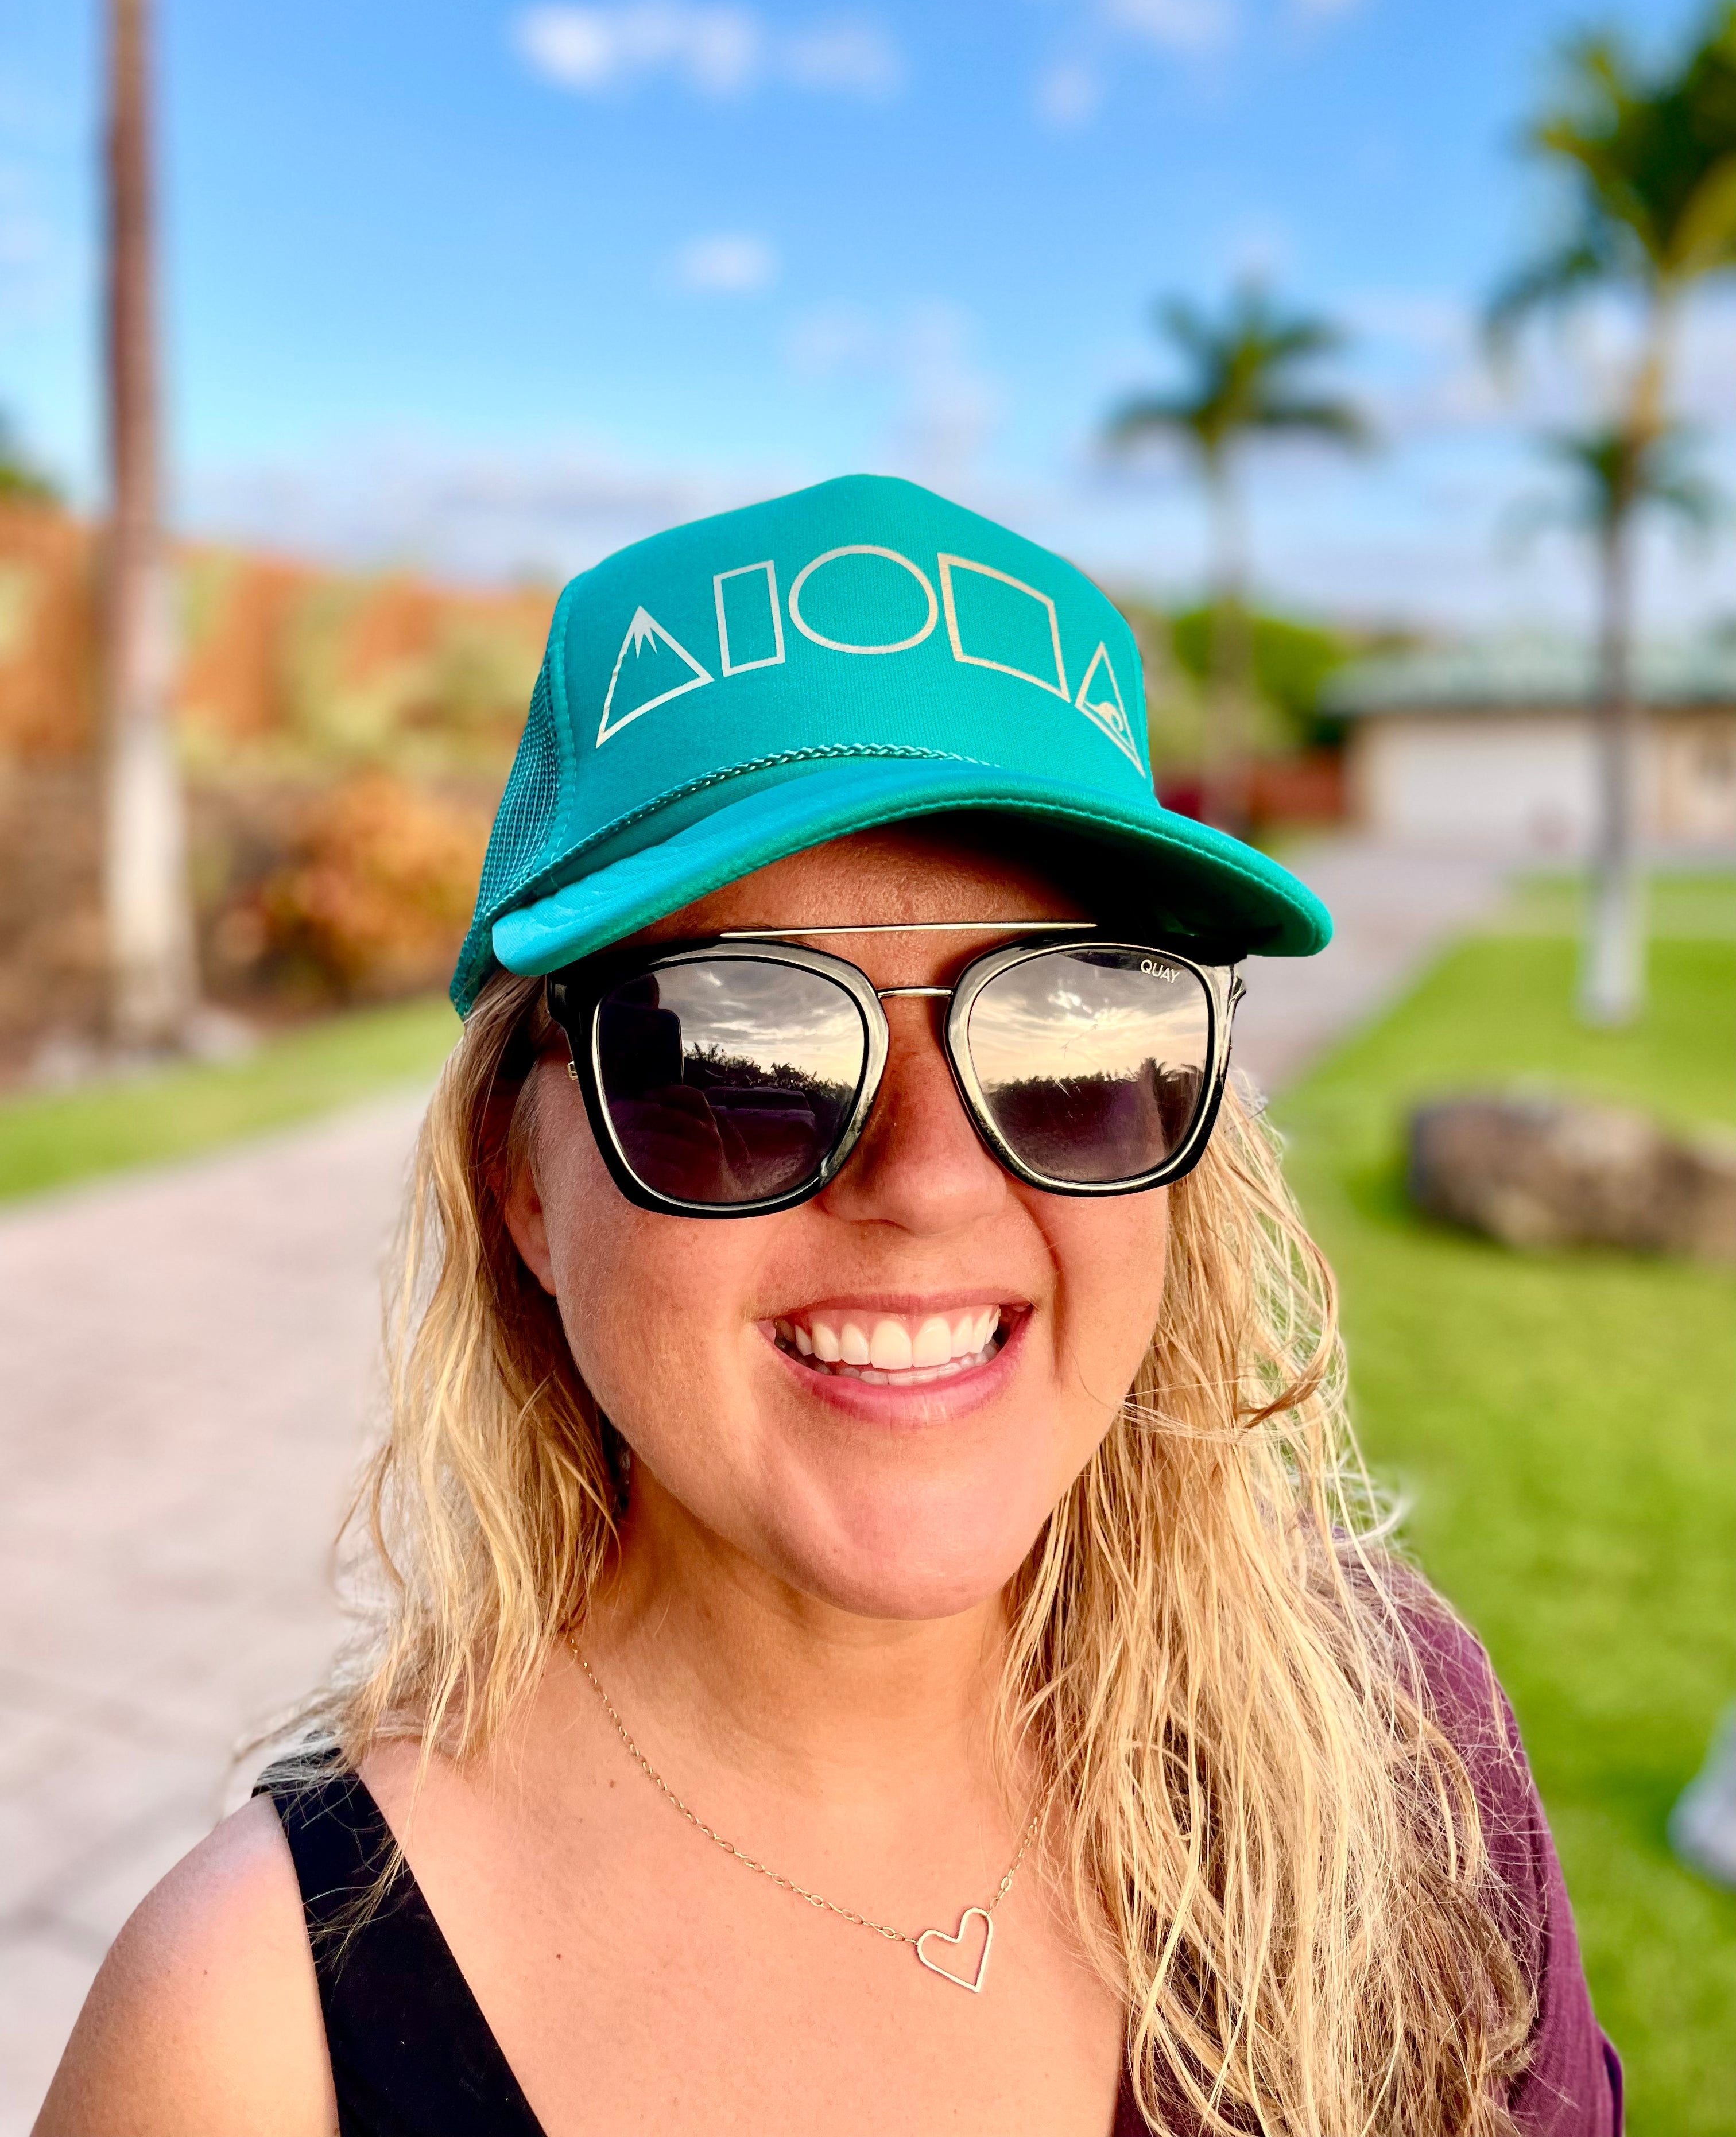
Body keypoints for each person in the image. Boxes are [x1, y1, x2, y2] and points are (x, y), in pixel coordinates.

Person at [37, 476, 1622, 2136]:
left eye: (1074, 1033)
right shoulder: (247, 2041)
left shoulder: (1399, 1738)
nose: (931, 1183)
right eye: (737, 1053)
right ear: (523, 1182)